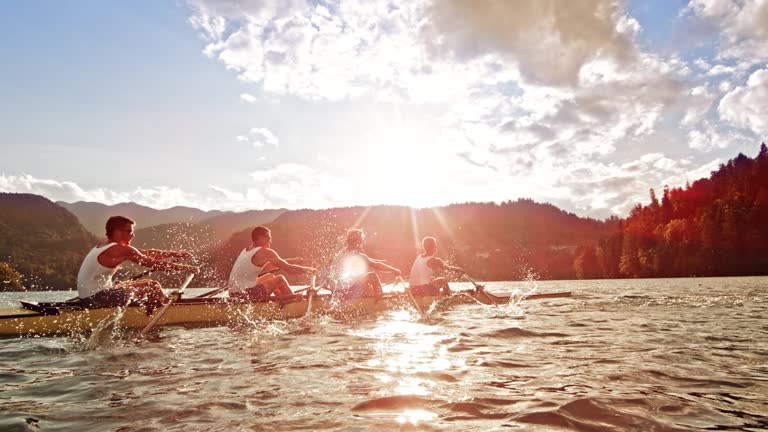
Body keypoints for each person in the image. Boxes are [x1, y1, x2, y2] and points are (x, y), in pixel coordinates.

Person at [77, 216, 199, 310]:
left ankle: (152, 306)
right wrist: (187, 268)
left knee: (132, 285)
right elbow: (155, 264)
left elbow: (147, 253)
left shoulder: (104, 245)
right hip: (96, 299)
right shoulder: (118, 249)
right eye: (129, 231)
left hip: (88, 297)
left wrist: (174, 254)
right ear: (117, 231)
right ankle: (164, 307)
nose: (133, 235)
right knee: (153, 286)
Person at [227, 226, 317, 302]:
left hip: (234, 295)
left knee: (269, 276)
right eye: (269, 238)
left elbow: (271, 265)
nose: (270, 241)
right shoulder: (265, 252)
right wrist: (309, 270)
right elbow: (289, 270)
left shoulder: (247, 250)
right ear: (260, 237)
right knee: (280, 279)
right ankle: (294, 304)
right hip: (244, 296)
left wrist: (293, 260)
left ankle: (281, 300)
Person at [328, 229, 402, 299]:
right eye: (361, 241)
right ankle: (380, 298)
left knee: (362, 275)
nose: (362, 243)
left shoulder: (341, 253)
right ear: (358, 241)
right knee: (372, 276)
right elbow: (375, 265)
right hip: (344, 291)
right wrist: (394, 270)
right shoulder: (356, 254)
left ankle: (366, 296)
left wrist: (381, 261)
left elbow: (368, 260)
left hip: (335, 291)